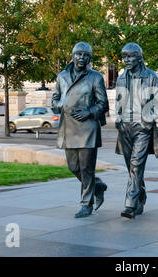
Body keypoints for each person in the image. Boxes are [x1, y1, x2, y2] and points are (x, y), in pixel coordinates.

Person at [52, 42, 109, 218]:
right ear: (73, 56)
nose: (82, 58)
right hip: (69, 127)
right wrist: (59, 104)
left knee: (86, 168)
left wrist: (89, 112)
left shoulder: (96, 77)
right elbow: (54, 100)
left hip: (88, 128)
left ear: (89, 58)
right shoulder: (62, 77)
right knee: (73, 166)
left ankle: (86, 203)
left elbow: (103, 103)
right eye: (79, 54)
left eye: (85, 55)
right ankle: (97, 185)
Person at [115, 42, 158, 219]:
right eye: (124, 56)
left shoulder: (151, 77)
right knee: (132, 168)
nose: (126, 60)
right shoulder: (121, 78)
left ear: (139, 57)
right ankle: (140, 197)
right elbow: (118, 102)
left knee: (136, 165)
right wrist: (118, 120)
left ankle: (130, 204)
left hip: (142, 128)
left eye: (130, 56)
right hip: (125, 128)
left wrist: (148, 120)